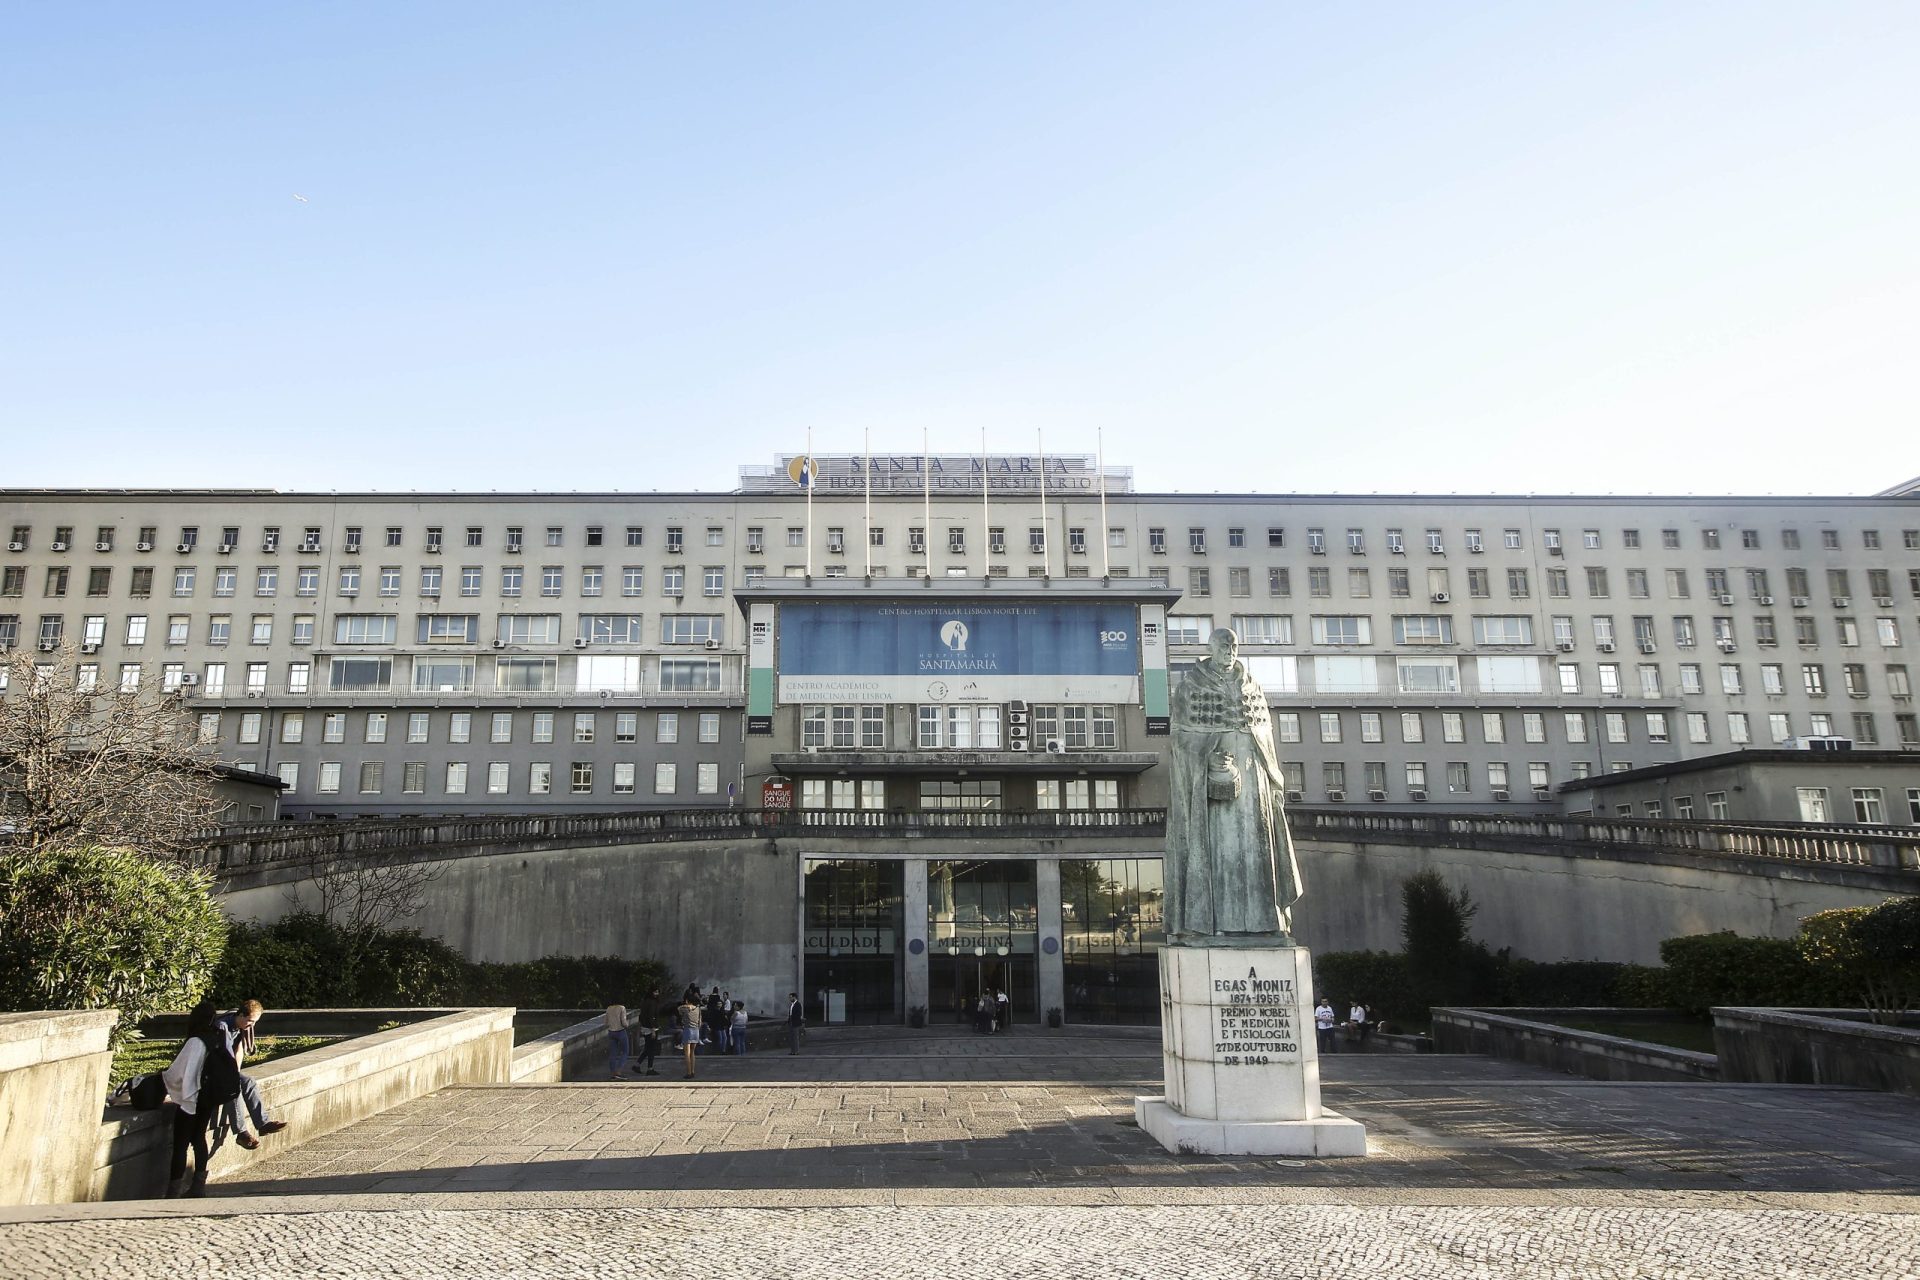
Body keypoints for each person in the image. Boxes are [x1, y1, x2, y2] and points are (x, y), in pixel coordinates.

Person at [1164, 628, 1303, 945]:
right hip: (1212, 788)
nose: (1230, 650)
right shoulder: (1190, 687)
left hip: (1253, 783)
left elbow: (1265, 738)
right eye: (1224, 645)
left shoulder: (1252, 685)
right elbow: (1181, 738)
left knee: (1257, 850)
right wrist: (1209, 760)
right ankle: (1213, 924)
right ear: (1211, 648)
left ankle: (1264, 923)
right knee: (1218, 852)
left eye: (1234, 645)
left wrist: (1273, 778)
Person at [160, 1001, 241, 1198]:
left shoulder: (195, 1041)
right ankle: (198, 1185)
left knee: (181, 1144)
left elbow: (177, 1072)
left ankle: (174, 1189)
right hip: (209, 1097)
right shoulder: (220, 1036)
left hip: (191, 1098)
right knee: (199, 1139)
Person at [213, 1000, 289, 1151]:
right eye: (250, 1021)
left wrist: (236, 1072)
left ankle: (263, 1124)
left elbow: (238, 1051)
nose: (251, 1026)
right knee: (233, 1088)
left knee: (249, 1082)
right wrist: (232, 1076)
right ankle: (242, 1133)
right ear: (240, 1015)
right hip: (211, 1071)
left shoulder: (242, 1026)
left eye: (254, 1022)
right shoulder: (222, 1027)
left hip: (226, 1068)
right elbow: (224, 1055)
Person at [634, 988, 662, 1076]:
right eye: (655, 992)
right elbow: (651, 1016)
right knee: (651, 1049)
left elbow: (642, 1016)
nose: (657, 994)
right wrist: (653, 1029)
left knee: (647, 1048)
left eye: (657, 992)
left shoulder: (645, 1001)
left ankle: (637, 1065)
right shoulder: (653, 1003)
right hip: (651, 1028)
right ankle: (650, 1068)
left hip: (645, 1027)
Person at [677, 995, 703, 1078]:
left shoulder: (685, 1008)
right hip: (696, 1030)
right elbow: (700, 1021)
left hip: (688, 1030)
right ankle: (693, 1071)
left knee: (687, 1053)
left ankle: (688, 1073)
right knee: (692, 1052)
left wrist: (686, 1005)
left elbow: (678, 1009)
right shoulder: (698, 1009)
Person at [605, 1001, 630, 1080]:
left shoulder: (609, 1008)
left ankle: (612, 1072)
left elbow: (606, 1022)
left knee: (613, 1054)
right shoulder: (622, 1008)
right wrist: (627, 1025)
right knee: (625, 1051)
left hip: (611, 1032)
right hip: (620, 1031)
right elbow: (623, 1021)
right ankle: (619, 1070)